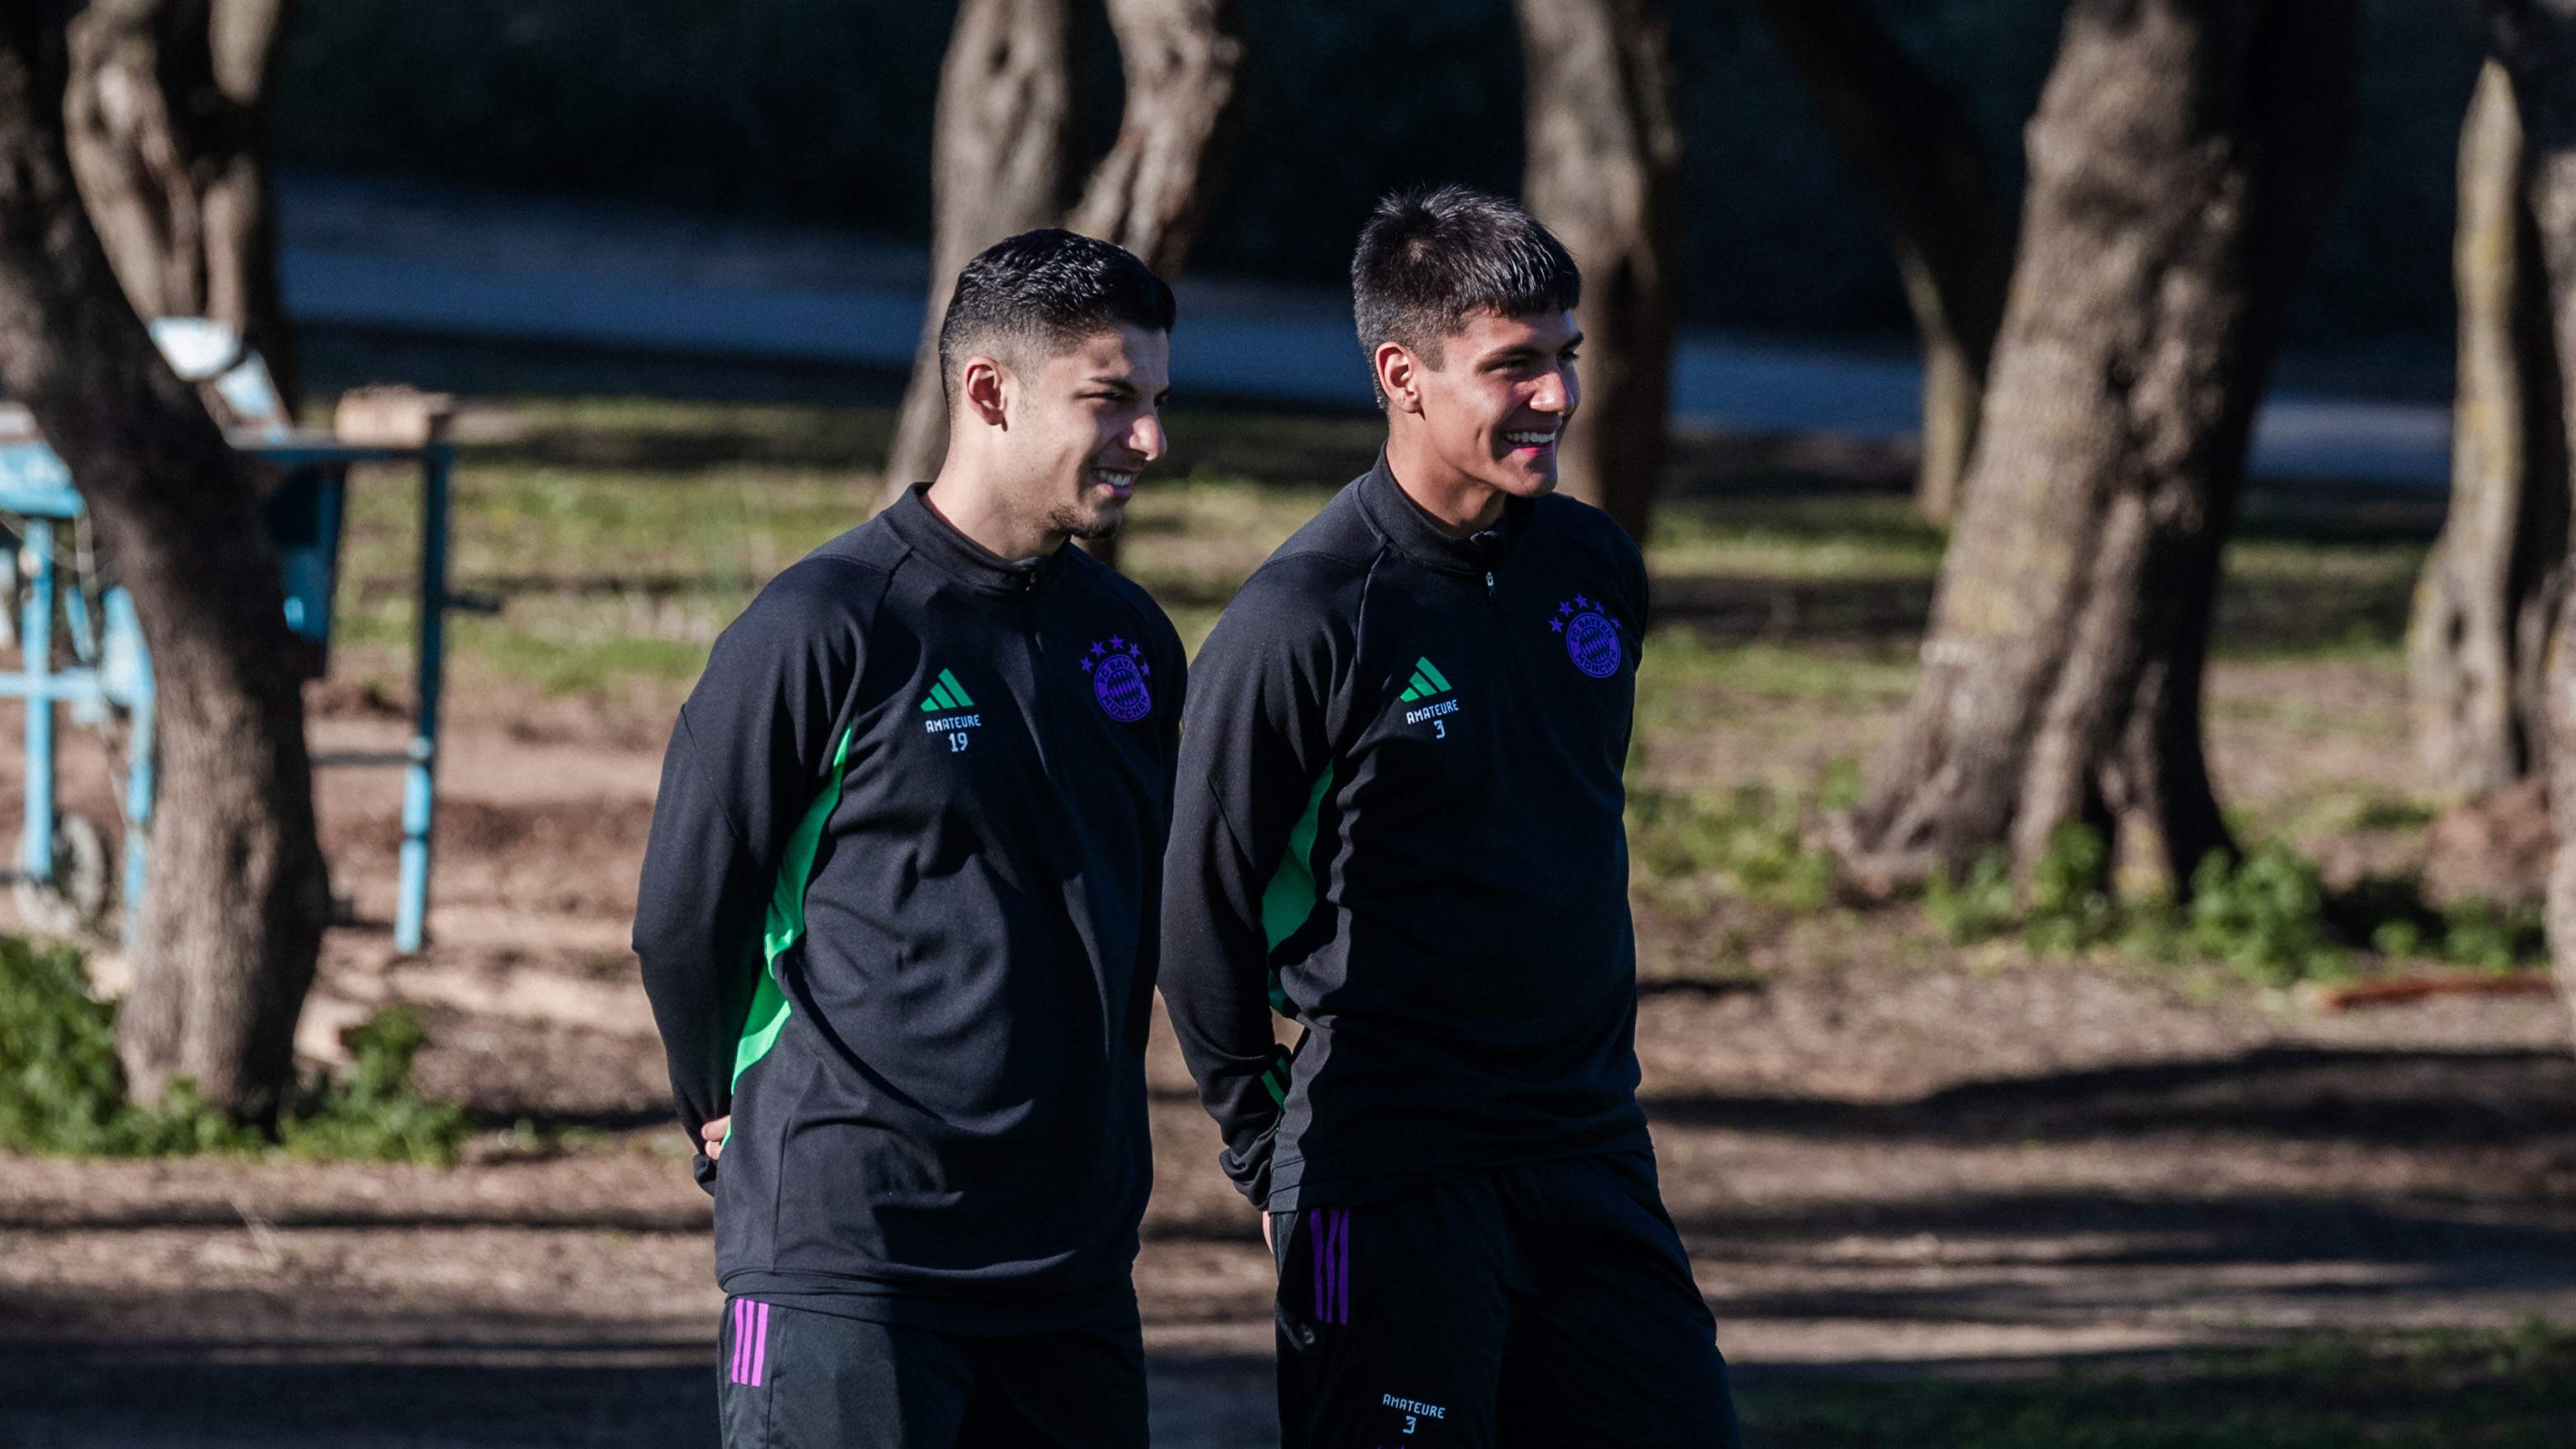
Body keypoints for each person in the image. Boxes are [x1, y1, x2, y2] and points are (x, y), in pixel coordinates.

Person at [1159, 186, 1743, 1447]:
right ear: (1402, 374)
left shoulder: (1590, 566)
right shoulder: (1303, 620)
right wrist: (1264, 1158)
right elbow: (1196, 908)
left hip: (1589, 1149)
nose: (1554, 398)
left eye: (1564, 360)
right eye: (1511, 367)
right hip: (1380, 1174)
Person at [635, 228, 1186, 1449]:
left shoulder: (1131, 642)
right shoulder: (826, 628)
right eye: (1112, 400)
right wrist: (715, 1103)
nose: (1150, 439)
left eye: (1155, 401)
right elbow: (684, 916)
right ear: (989, 393)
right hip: (850, 1253)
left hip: (1070, 1262)